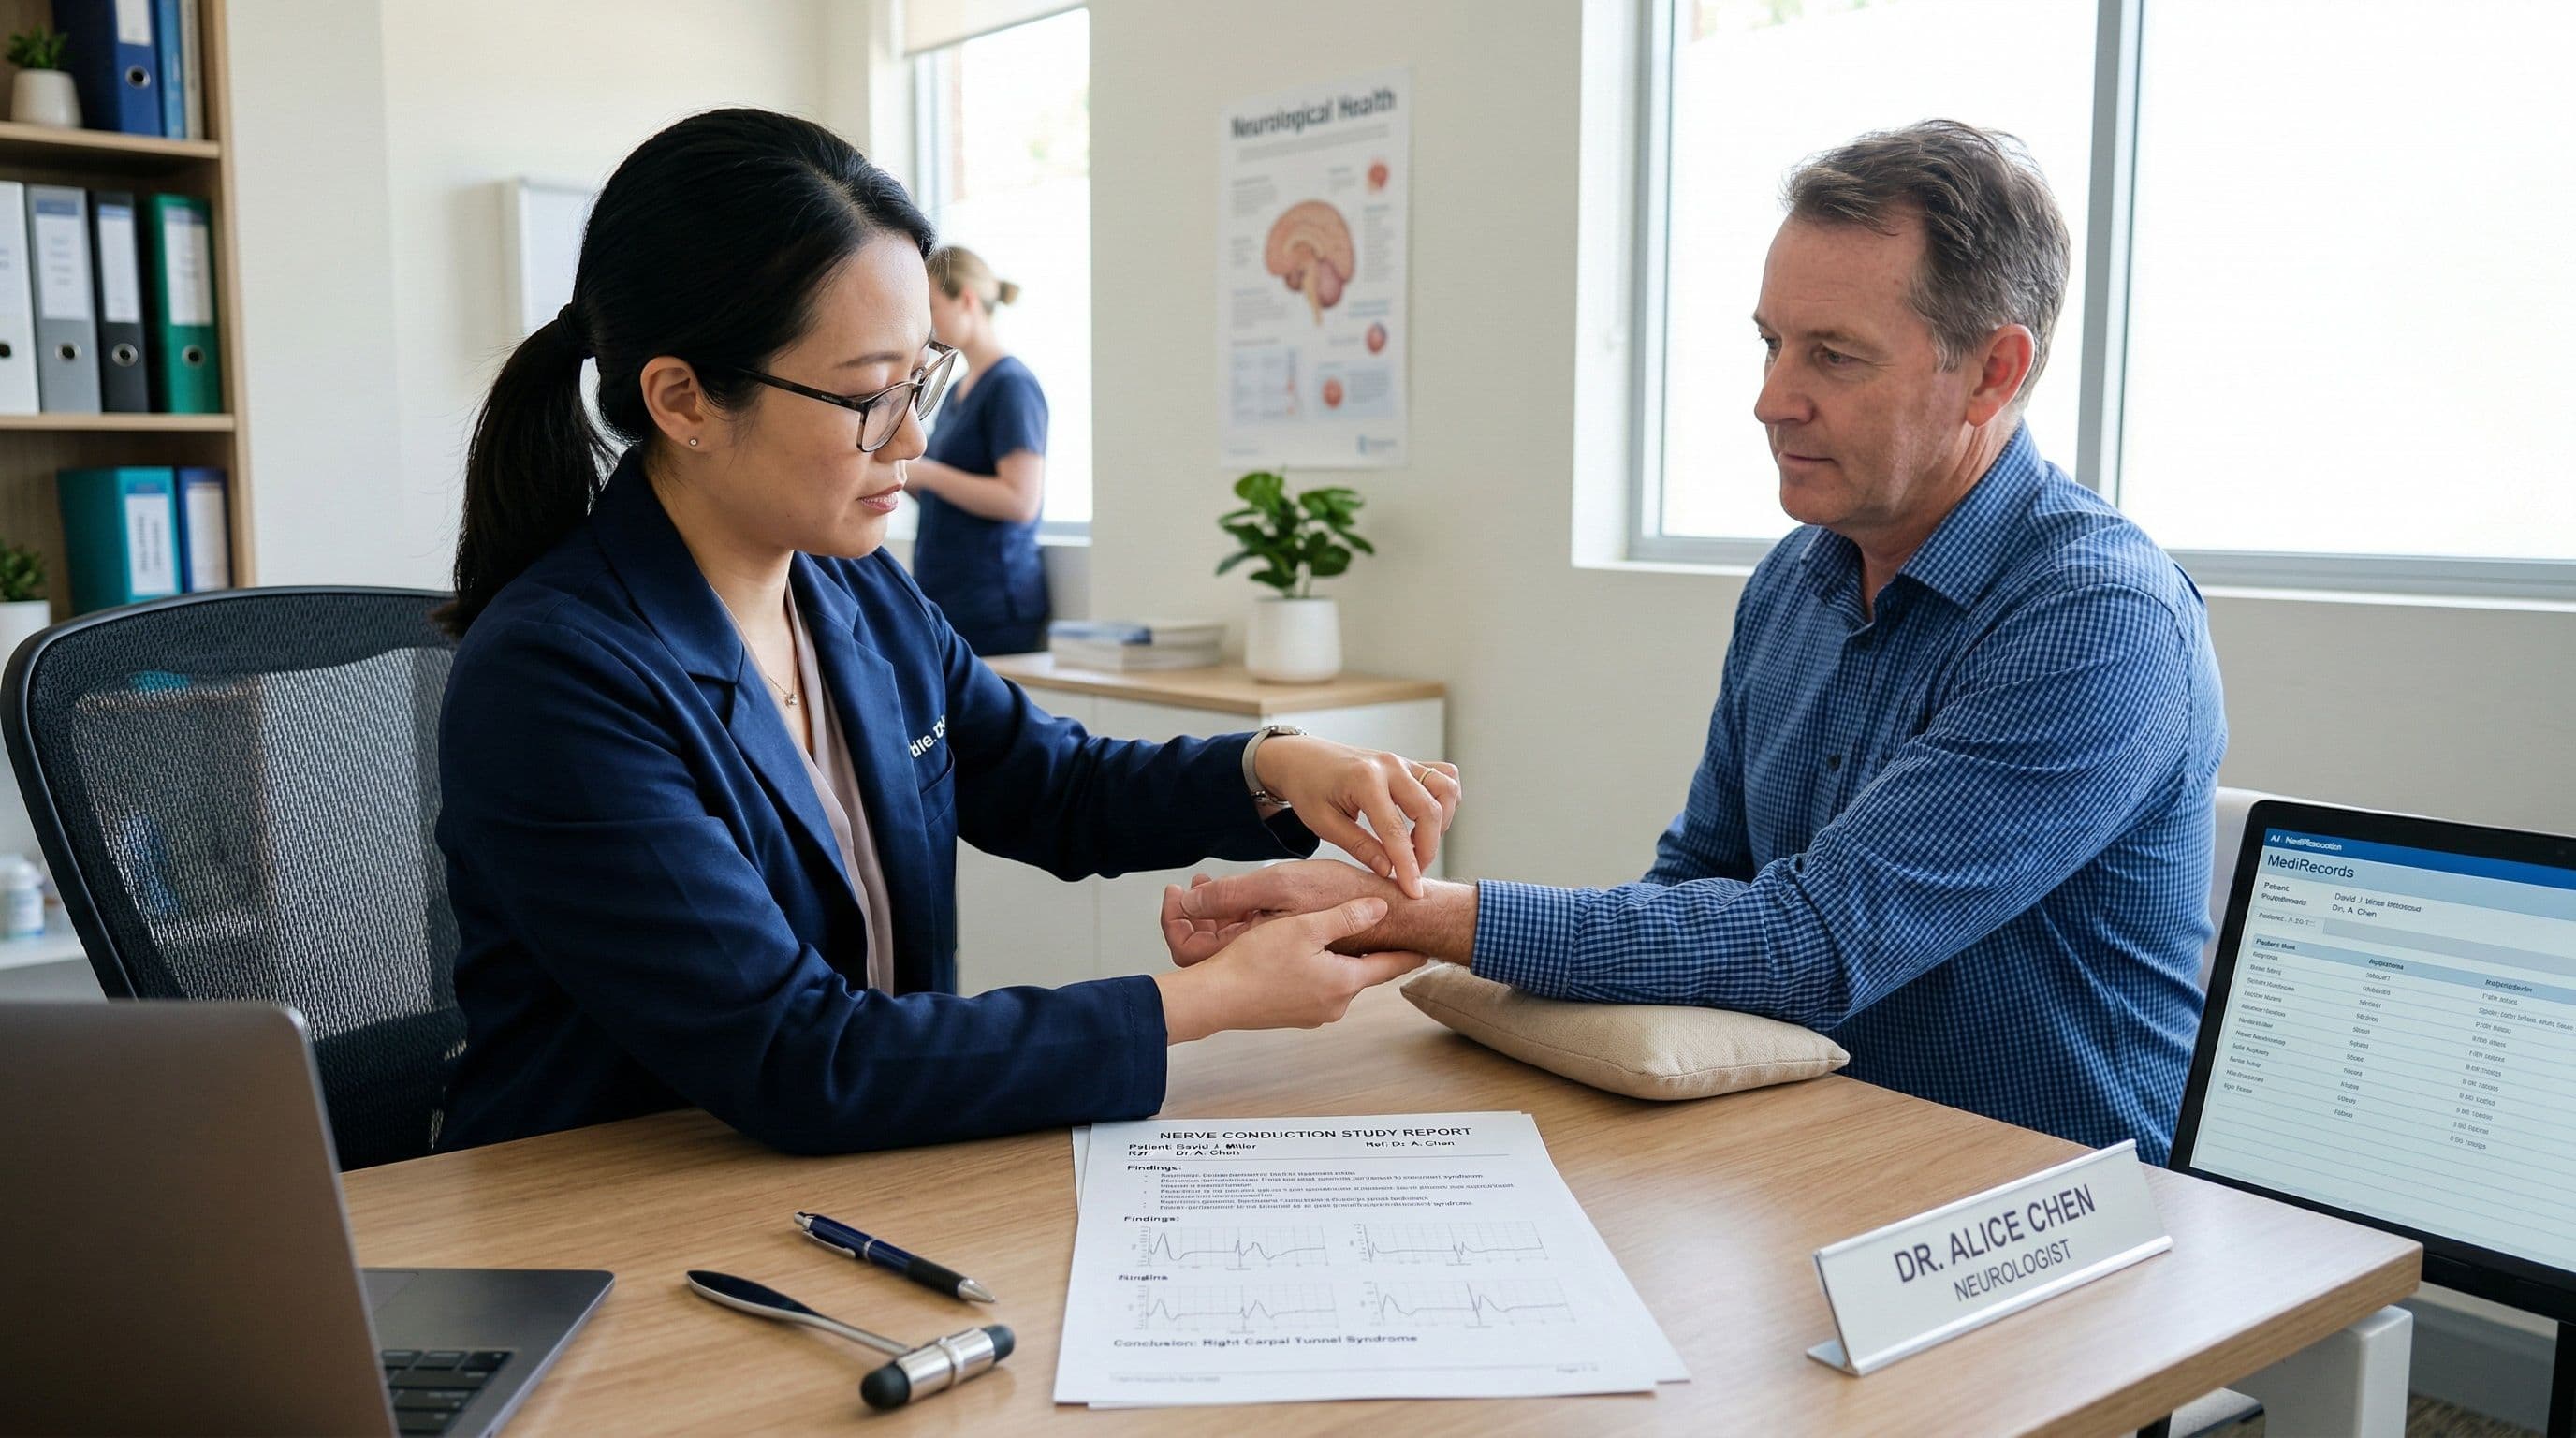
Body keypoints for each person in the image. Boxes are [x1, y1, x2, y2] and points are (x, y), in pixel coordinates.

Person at [1166, 121, 2225, 1165]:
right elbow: (1698, 886)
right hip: (1808, 1152)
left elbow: (1811, 942)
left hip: (2046, 1213)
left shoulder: (2096, 624)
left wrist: (1421, 915)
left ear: (1992, 373)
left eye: (1834, 356)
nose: (1771, 400)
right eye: (1770, 342)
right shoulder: (1795, 580)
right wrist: (1404, 914)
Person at [433, 109, 1463, 1156]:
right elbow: (802, 1056)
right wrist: (1200, 1003)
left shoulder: (858, 594)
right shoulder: (556, 677)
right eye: (869, 395)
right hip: (606, 1218)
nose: (915, 439)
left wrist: (1274, 765)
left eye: (921, 379)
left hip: (857, 1176)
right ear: (682, 397)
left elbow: (1054, 785)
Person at [903, 245, 1051, 654]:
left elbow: (1020, 500)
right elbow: (942, 489)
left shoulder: (1011, 385)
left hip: (992, 603)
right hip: (949, 596)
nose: (925, 322)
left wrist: (927, 473)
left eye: (931, 305)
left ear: (966, 299)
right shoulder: (956, 391)